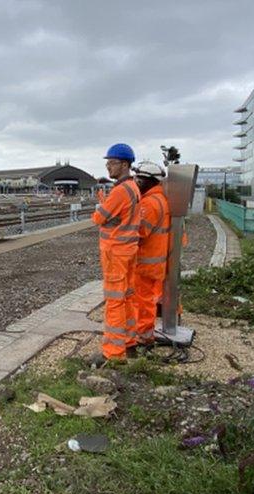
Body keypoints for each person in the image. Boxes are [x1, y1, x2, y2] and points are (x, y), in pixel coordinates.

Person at [91, 144, 142, 361]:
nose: (107, 166)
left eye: (111, 163)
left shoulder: (120, 191)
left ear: (124, 164)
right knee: (128, 298)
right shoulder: (133, 187)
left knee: (114, 301)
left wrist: (102, 207)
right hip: (128, 250)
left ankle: (112, 353)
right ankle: (129, 342)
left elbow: (98, 218)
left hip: (116, 253)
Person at [130, 161, 171, 347]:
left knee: (142, 300)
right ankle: (144, 332)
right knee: (147, 299)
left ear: (150, 181)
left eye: (139, 179)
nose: (136, 182)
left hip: (145, 262)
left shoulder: (149, 203)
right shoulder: (159, 199)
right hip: (155, 260)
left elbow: (139, 233)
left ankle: (144, 336)